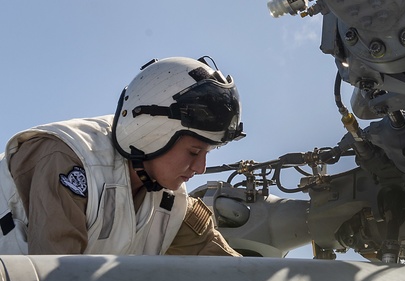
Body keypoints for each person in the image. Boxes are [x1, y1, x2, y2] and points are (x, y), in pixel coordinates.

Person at [0, 56, 244, 256]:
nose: (200, 167)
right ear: (152, 133)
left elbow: (232, 271)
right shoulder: (69, 161)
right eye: (194, 151)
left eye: (207, 153)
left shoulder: (172, 203)